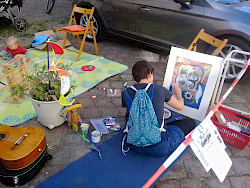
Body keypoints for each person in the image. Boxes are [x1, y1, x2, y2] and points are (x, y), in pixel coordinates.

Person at [122, 60, 196, 156]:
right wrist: (179, 95)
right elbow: (180, 106)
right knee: (190, 123)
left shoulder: (125, 92)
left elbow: (128, 113)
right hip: (159, 148)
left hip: (133, 144)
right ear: (150, 73)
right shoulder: (159, 90)